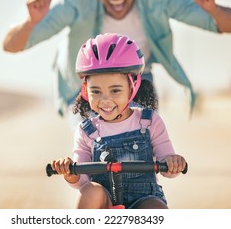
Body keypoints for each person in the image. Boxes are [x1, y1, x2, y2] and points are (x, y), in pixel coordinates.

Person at [3, 0, 231, 125]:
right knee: (90, 150)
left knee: (143, 141)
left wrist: (212, 9)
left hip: (137, 78)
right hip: (85, 84)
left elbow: (230, 25)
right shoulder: (76, 0)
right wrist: (31, 22)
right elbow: (10, 46)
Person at [51, 33, 187, 209]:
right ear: (85, 90)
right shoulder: (86, 130)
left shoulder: (149, 121)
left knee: (155, 208)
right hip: (104, 203)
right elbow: (82, 181)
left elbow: (166, 163)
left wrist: (173, 162)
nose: (105, 100)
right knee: (91, 192)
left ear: (133, 86)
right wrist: (70, 172)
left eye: (115, 90)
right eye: (96, 91)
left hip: (144, 200)